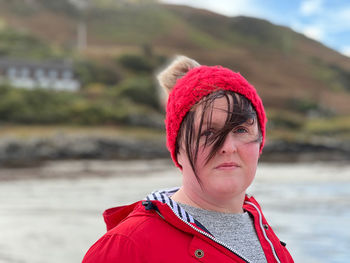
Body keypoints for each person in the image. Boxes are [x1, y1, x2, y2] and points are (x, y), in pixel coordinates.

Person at [82, 56, 294, 263]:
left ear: (260, 143)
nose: (228, 148)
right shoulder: (126, 248)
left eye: (240, 129)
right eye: (208, 133)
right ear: (178, 148)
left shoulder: (265, 235)